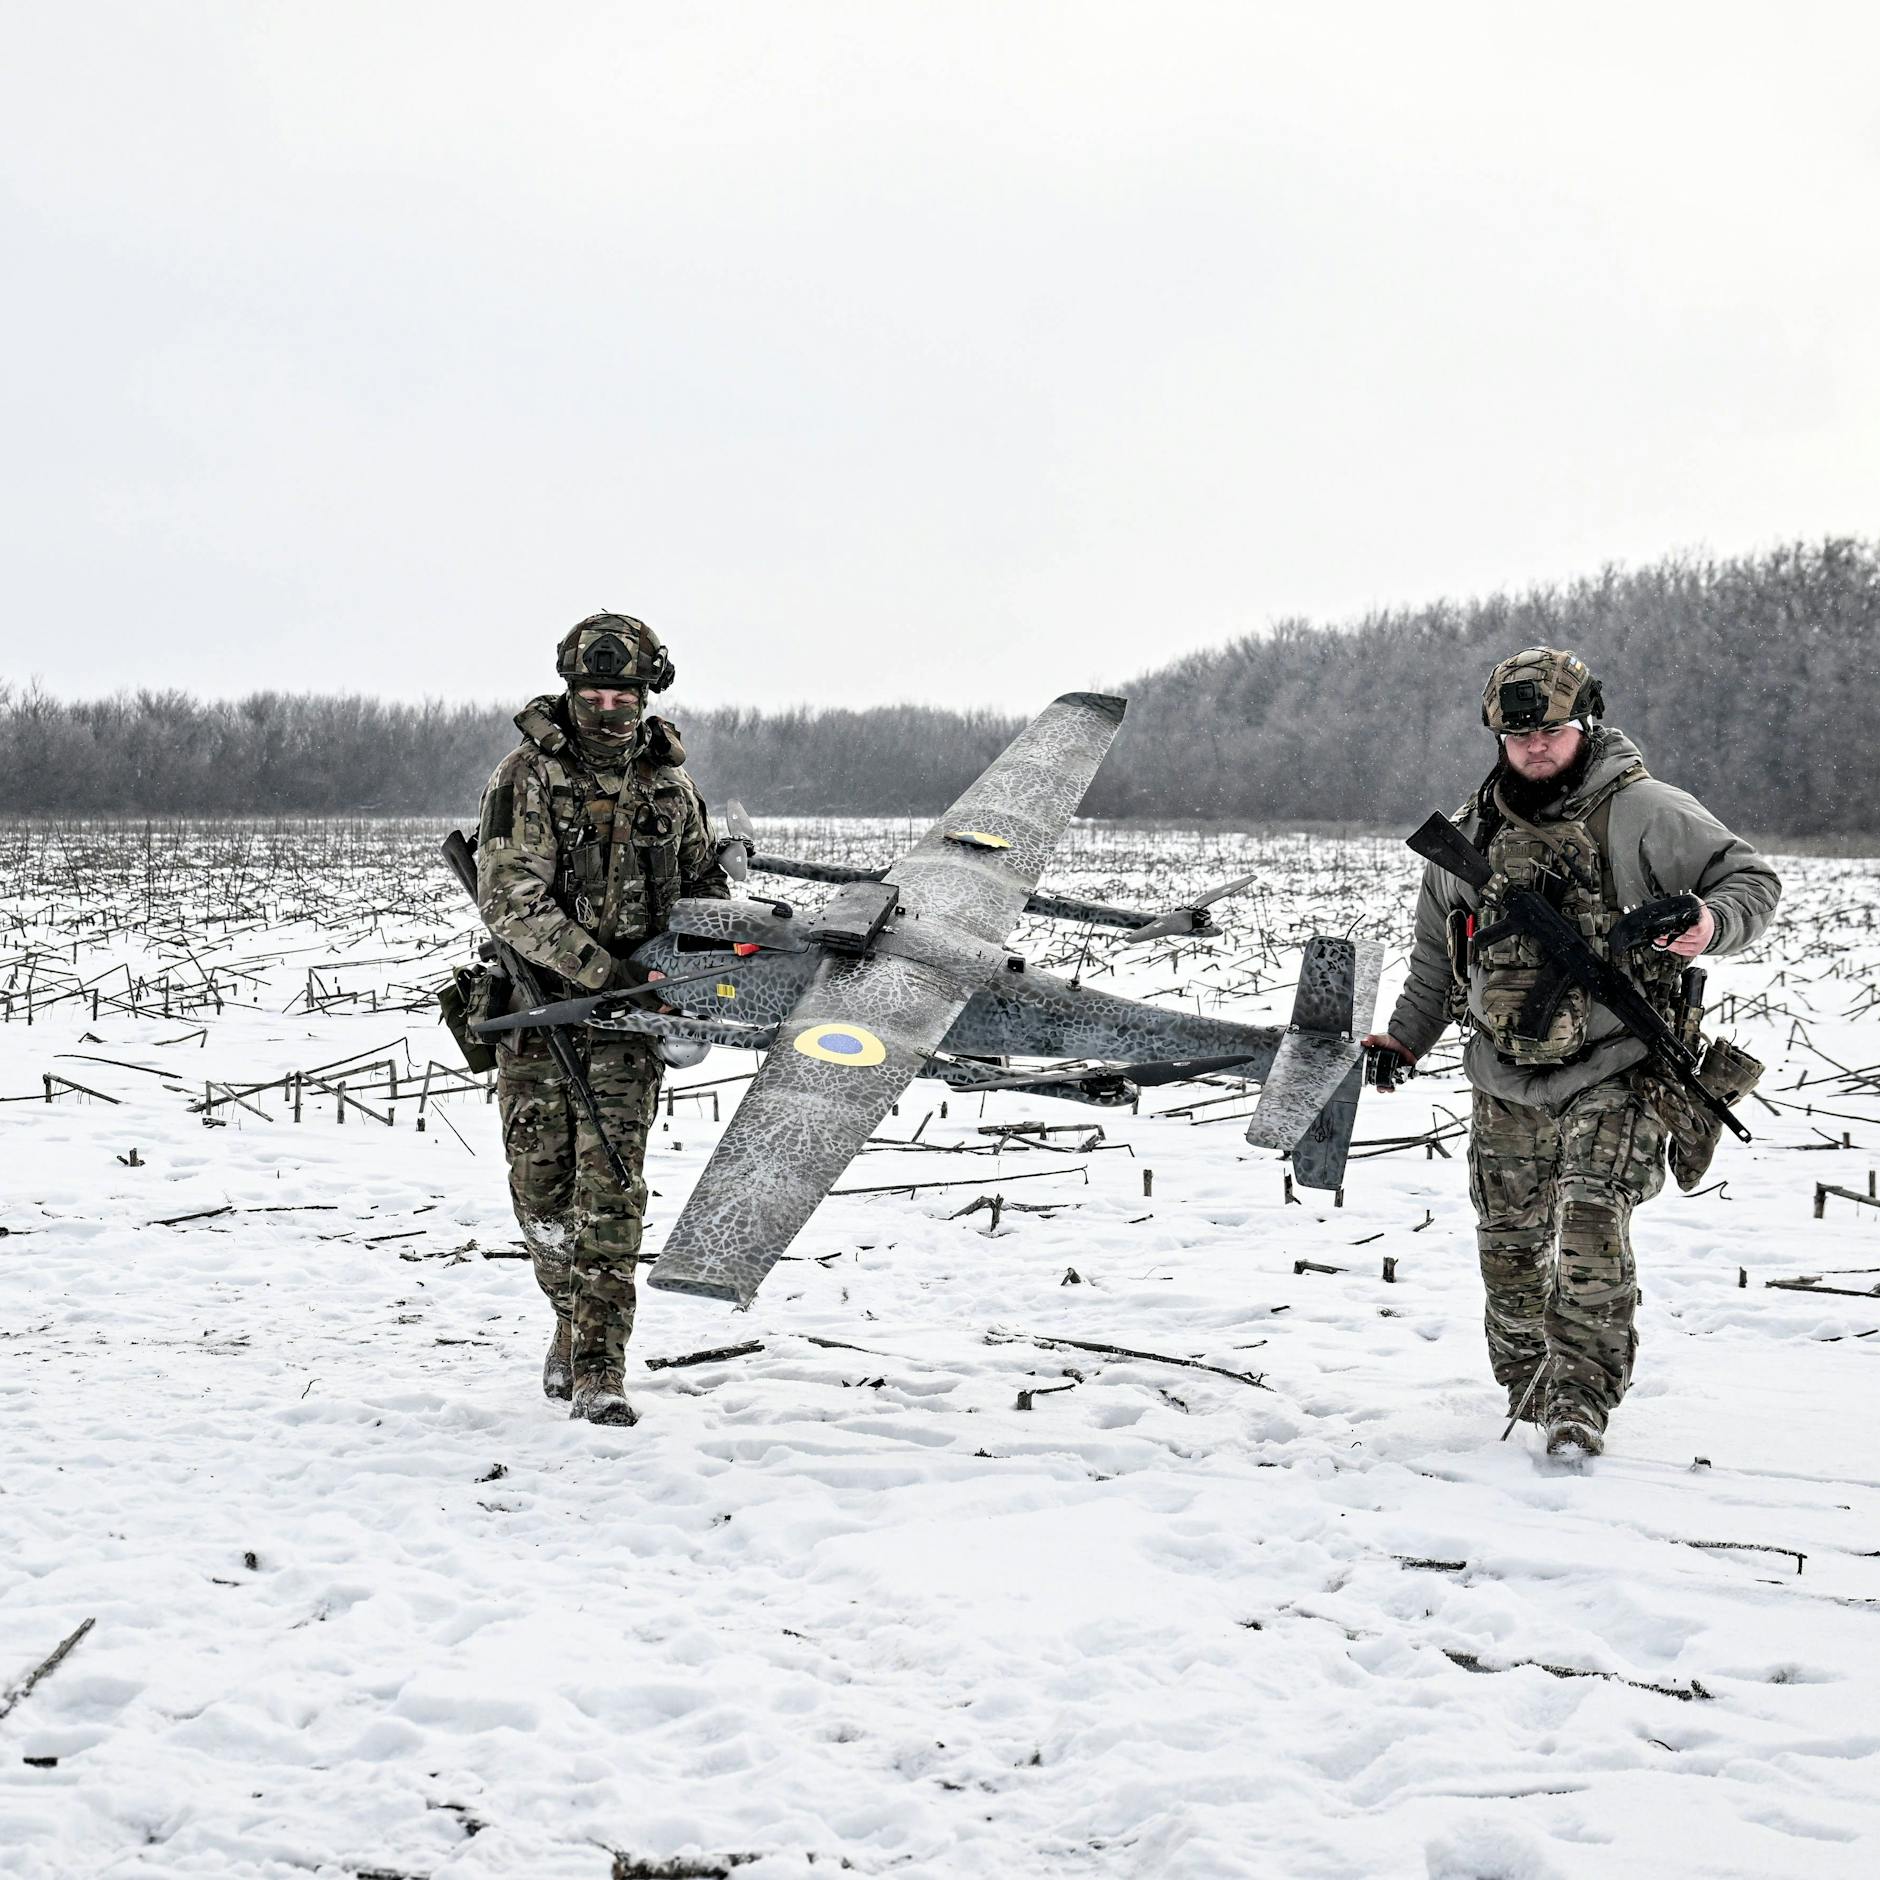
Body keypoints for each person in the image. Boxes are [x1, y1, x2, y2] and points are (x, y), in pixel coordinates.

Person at [1364, 648, 1780, 1457]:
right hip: (1504, 1072)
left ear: (1584, 722)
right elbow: (1437, 963)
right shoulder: (1470, 836)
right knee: (1509, 1248)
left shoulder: (1645, 811)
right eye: (1517, 735)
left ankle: (1581, 1402)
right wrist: (1404, 1040)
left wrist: (1707, 924)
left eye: (1551, 730)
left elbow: (1750, 881)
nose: (1535, 747)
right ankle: (1528, 1386)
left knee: (1591, 1220)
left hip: (1617, 1064)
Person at [476, 613, 729, 1424]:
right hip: (540, 1015)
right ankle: (566, 1318)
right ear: (570, 690)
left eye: (624, 692)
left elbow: (703, 892)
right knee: (542, 1198)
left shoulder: (671, 788)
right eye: (593, 691)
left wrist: (689, 964)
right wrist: (604, 971)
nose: (609, 707)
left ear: (648, 693)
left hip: (631, 1029)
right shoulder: (527, 777)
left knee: (612, 1198)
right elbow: (512, 903)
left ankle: (599, 1369)